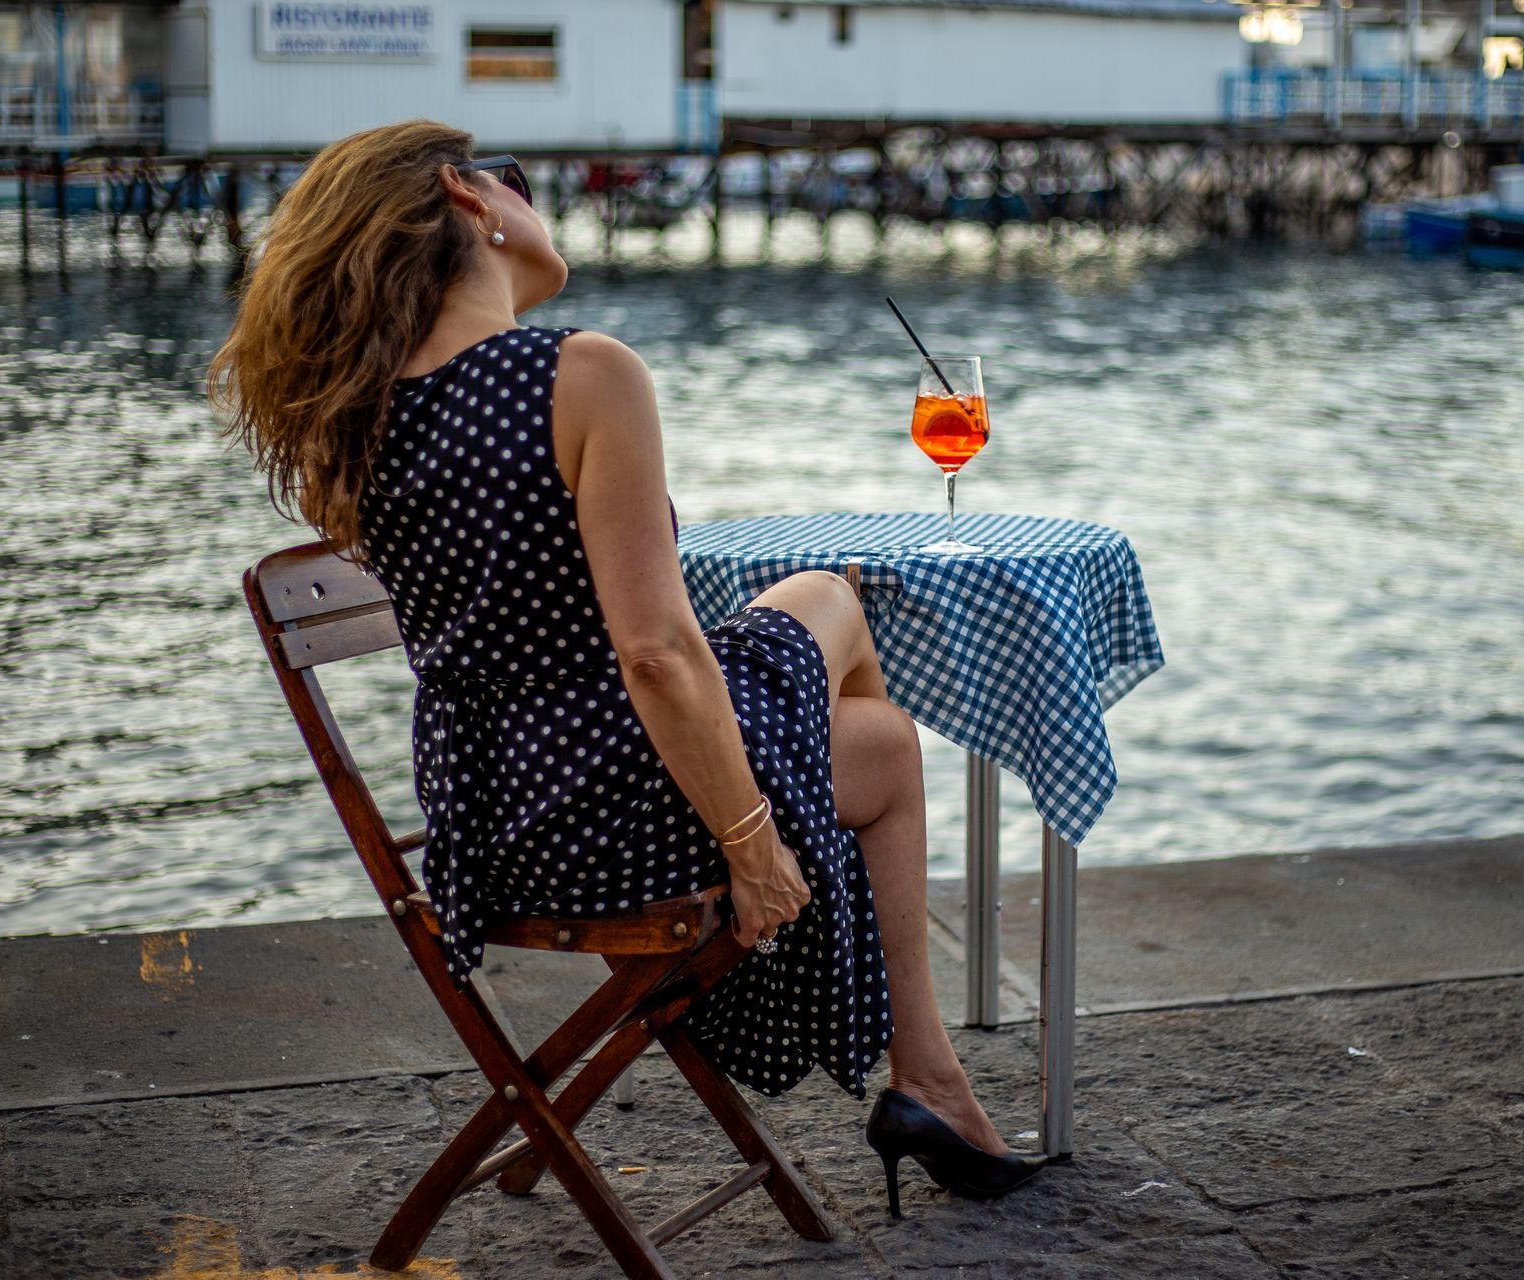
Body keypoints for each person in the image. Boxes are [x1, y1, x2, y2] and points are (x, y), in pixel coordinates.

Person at [207, 119, 1048, 1218]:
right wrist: (752, 845)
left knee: (871, 722)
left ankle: (926, 1070)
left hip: (491, 827)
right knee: (833, 611)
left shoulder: (356, 424)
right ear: (470, 200)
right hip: (622, 819)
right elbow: (653, 651)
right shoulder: (583, 373)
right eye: (517, 179)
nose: (531, 199)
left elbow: (559, 636)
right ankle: (904, 1045)